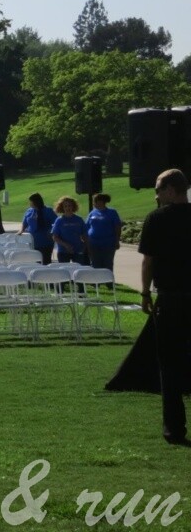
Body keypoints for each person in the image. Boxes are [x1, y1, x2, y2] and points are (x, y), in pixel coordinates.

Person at [138, 168, 191, 446]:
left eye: (159, 189)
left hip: (171, 297)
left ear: (171, 190)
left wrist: (145, 292)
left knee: (169, 363)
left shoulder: (156, 219)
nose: (156, 195)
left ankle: (174, 428)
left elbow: (148, 261)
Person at [86, 192, 122, 271]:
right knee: (95, 264)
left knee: (107, 263)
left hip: (108, 243)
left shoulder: (112, 212)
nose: (93, 203)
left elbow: (117, 227)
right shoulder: (92, 213)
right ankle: (97, 282)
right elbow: (86, 227)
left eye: (95, 201)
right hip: (93, 243)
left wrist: (117, 240)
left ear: (101, 201)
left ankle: (109, 282)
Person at [19, 192, 58, 265]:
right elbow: (24, 223)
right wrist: (21, 230)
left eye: (31, 201)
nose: (30, 203)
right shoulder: (29, 211)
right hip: (33, 241)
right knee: (36, 261)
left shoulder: (48, 211)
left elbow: (57, 223)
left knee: (46, 261)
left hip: (46, 241)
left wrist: (51, 231)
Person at [51, 196, 88, 264]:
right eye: (65, 206)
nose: (68, 208)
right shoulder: (59, 221)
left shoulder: (79, 219)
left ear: (73, 206)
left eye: (69, 206)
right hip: (63, 251)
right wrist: (66, 245)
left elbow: (84, 236)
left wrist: (86, 247)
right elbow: (55, 237)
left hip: (78, 250)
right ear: (62, 207)